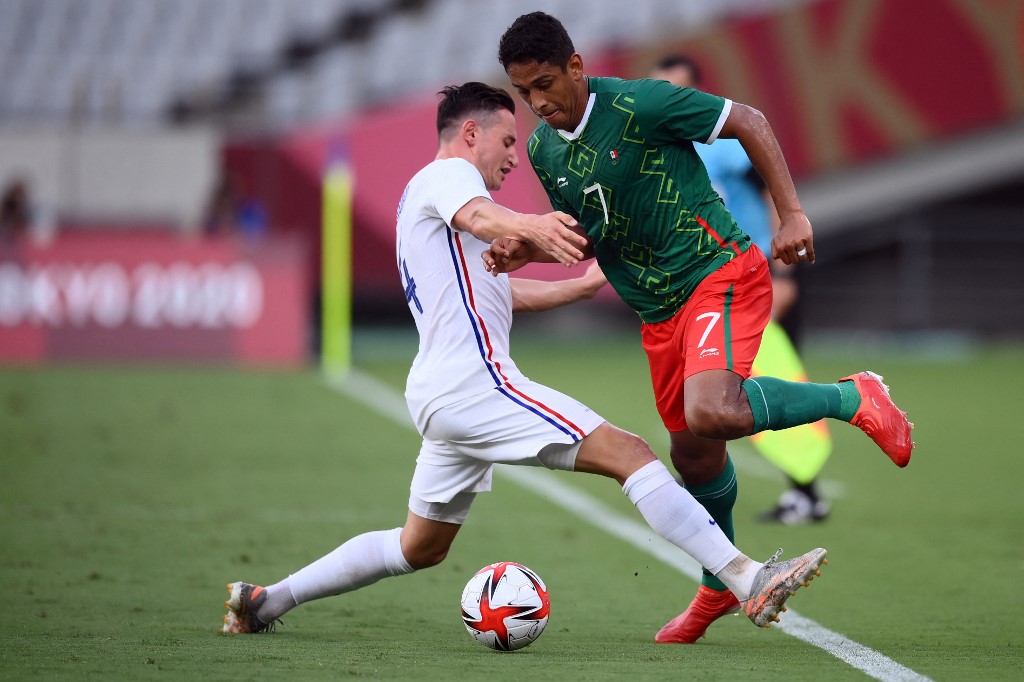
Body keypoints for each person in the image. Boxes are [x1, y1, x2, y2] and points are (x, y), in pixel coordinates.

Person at [222, 82, 827, 637]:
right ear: (470, 134)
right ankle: (748, 579)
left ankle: (266, 601)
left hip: (439, 394)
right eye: (507, 141)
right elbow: (482, 216)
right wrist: (536, 227)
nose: (515, 157)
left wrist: (578, 288)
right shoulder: (449, 179)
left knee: (419, 547)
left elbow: (495, 293)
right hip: (477, 384)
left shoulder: (420, 200)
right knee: (631, 455)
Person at [492, 12, 913, 644]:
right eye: (524, 92)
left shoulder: (640, 104)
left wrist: (792, 215)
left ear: (575, 66)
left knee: (712, 410)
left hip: (717, 270)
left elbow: (750, 120)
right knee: (692, 452)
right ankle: (720, 585)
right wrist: (524, 248)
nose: (538, 102)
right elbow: (587, 230)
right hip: (658, 312)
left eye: (545, 84)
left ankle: (854, 396)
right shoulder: (543, 150)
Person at [649, 54, 832, 524]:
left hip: (758, 272)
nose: (666, 98)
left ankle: (807, 489)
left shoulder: (720, 145)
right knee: (714, 382)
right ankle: (768, 486)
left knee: (776, 374)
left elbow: (770, 188)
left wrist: (784, 271)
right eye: (659, 88)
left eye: (676, 88)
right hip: (708, 279)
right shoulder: (660, 147)